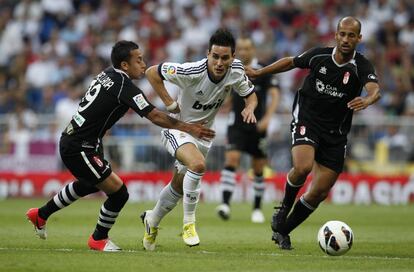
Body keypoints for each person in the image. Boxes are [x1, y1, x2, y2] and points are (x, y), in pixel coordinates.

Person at [25, 40, 215, 252]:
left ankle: (40, 214)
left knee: (88, 184)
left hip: (85, 142)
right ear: (125, 65)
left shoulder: (108, 74)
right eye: (139, 60)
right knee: (119, 193)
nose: (143, 64)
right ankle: (98, 238)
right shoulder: (124, 86)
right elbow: (153, 115)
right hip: (79, 146)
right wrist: (188, 127)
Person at [246, 17, 381, 249]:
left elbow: (375, 89)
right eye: (342, 34)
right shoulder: (319, 55)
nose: (346, 39)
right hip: (307, 119)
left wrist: (368, 100)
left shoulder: (362, 65)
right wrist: (260, 73)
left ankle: (283, 231)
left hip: (336, 133)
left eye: (351, 35)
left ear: (359, 38)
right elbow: (291, 62)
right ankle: (284, 208)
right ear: (336, 34)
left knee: (319, 192)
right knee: (303, 166)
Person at [141, 28, 258, 250]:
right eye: (215, 56)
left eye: (225, 57)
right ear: (208, 54)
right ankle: (189, 224)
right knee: (198, 165)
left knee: (178, 185)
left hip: (203, 135)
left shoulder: (235, 71)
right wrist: (169, 103)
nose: (219, 62)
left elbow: (250, 94)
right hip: (177, 127)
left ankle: (152, 219)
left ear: (233, 57)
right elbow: (151, 72)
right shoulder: (191, 71)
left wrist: (249, 107)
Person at [216, 36, 280, 223]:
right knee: (232, 159)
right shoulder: (230, 67)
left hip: (257, 125)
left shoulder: (263, 68)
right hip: (236, 124)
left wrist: (268, 118)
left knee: (258, 167)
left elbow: (274, 94)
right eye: (240, 49)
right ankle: (225, 204)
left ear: (253, 50)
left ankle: (257, 209)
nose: (243, 52)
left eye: (247, 48)